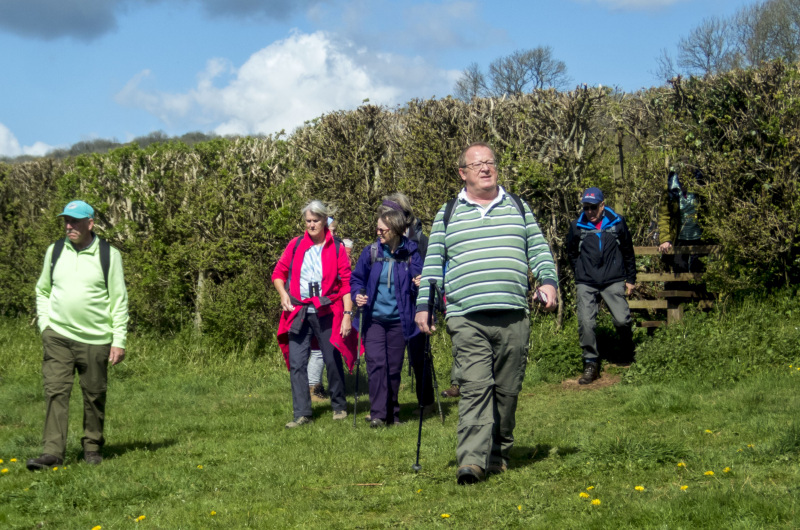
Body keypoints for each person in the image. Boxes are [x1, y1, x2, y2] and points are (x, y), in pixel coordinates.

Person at [415, 142, 558, 485]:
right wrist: (425, 305)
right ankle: (471, 462)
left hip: (513, 314)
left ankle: (498, 452)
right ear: (463, 173)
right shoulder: (448, 212)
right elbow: (433, 263)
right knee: (476, 387)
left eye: (490, 162)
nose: (485, 168)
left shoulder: (518, 208)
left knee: (507, 392)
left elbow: (538, 251)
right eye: (477, 164)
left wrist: (548, 282)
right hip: (466, 316)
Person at [27, 200, 129, 470]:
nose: (69, 226)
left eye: (75, 221)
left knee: (94, 394)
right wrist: (46, 326)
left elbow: (118, 301)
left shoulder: (109, 255)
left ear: (90, 224)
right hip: (58, 336)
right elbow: (43, 290)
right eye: (66, 221)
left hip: (96, 339)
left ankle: (92, 447)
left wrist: (118, 340)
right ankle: (52, 453)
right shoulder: (55, 250)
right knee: (56, 392)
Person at [272, 201, 355, 428]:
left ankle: (339, 405)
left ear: (324, 221)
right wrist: (283, 294)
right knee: (298, 362)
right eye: (308, 221)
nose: (311, 225)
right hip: (298, 311)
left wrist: (347, 314)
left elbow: (346, 283)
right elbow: (278, 273)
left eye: (315, 221)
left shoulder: (336, 247)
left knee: (331, 358)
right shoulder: (296, 244)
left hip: (327, 309)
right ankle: (302, 413)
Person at [351, 209, 423, 427]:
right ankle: (378, 415)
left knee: (393, 368)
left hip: (399, 320)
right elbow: (356, 279)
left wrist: (419, 281)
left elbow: (420, 276)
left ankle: (392, 413)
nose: (378, 232)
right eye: (377, 228)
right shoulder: (371, 251)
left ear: (397, 230)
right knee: (376, 364)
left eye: (383, 229)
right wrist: (358, 295)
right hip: (373, 319)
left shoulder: (411, 253)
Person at [566, 187, 637, 385]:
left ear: (602, 205)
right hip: (586, 281)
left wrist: (630, 279)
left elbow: (628, 251)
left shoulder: (617, 222)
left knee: (622, 320)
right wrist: (580, 272)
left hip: (613, 279)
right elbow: (571, 253)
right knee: (586, 323)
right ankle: (591, 362)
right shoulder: (577, 226)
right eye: (585, 207)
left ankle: (626, 347)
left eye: (593, 207)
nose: (589, 211)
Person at [376, 194, 435, 415]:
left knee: (419, 355)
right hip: (391, 307)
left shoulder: (422, 242)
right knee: (388, 358)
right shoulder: (382, 240)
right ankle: (384, 406)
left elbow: (435, 270)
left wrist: (425, 280)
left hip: (416, 305)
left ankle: (426, 401)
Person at [307, 217, 354, 403]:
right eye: (331, 230)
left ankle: (333, 394)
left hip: (333, 306)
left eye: (335, 231)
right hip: (317, 307)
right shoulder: (313, 248)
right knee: (318, 350)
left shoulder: (336, 247)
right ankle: (313, 387)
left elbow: (344, 275)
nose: (333, 234)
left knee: (331, 348)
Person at [658, 166, 705, 272]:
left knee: (698, 273)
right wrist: (665, 239)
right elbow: (664, 215)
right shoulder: (670, 188)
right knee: (679, 270)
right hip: (678, 237)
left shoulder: (700, 186)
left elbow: (708, 211)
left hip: (698, 237)